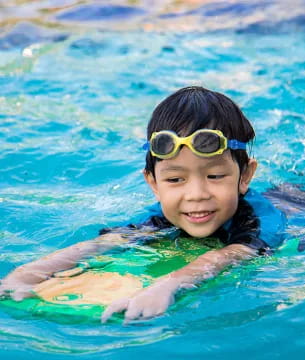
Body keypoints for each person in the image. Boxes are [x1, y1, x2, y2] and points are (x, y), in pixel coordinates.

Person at [0, 86, 287, 323]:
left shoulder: (260, 219)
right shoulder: (161, 218)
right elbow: (102, 244)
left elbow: (232, 254)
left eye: (214, 176)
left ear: (245, 176)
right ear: (153, 184)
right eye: (175, 180)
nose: (196, 194)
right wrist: (28, 273)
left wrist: (169, 284)